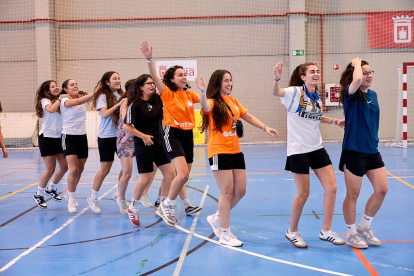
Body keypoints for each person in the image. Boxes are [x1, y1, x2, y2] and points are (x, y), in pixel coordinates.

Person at [196, 70, 279, 246]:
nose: (229, 83)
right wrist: (202, 92)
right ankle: (225, 233)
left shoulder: (233, 101)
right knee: (226, 191)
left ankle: (217, 217)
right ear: (218, 83)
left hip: (235, 151)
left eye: (230, 80)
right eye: (225, 81)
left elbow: (247, 116)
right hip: (219, 151)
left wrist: (265, 127)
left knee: (240, 190)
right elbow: (204, 106)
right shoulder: (212, 102)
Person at [272, 61, 345, 248]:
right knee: (303, 193)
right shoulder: (294, 93)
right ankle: (292, 231)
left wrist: (334, 121)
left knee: (332, 188)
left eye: (317, 71)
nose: (316, 73)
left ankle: (326, 231)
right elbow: (276, 92)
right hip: (298, 149)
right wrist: (277, 78)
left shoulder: (317, 96)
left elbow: (315, 115)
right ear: (303, 76)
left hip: (316, 147)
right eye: (312, 71)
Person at [140, 41, 201, 226]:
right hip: (172, 135)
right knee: (181, 174)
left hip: (188, 136)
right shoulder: (167, 93)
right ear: (172, 79)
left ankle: (165, 203)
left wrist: (207, 90)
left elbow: (207, 103)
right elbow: (154, 76)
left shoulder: (190, 95)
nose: (184, 77)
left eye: (184, 74)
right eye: (180, 74)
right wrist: (149, 58)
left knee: (184, 176)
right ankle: (167, 205)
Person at [339, 58, 388, 249]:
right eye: (364, 72)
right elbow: (357, 80)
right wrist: (356, 64)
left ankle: (364, 227)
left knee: (382, 189)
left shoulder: (373, 94)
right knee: (353, 194)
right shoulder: (350, 94)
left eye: (370, 72)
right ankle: (351, 233)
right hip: (353, 151)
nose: (368, 75)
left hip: (372, 151)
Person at [123, 74, 175, 226]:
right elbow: (127, 126)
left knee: (170, 174)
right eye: (149, 84)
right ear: (141, 87)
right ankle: (133, 206)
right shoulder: (135, 105)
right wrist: (143, 136)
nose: (152, 86)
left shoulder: (158, 99)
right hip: (143, 144)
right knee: (145, 178)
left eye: (153, 83)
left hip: (159, 142)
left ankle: (162, 205)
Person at [87, 72, 125, 214]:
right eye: (115, 78)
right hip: (107, 136)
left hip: (121, 136)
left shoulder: (121, 95)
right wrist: (118, 105)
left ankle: (119, 194)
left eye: (119, 78)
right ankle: (93, 197)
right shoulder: (103, 96)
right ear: (107, 82)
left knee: (127, 168)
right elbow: (104, 114)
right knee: (105, 169)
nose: (118, 80)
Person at [60, 79, 95, 213]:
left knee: (80, 169)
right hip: (68, 136)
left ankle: (70, 192)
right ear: (66, 89)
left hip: (82, 136)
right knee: (73, 169)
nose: (75, 86)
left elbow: (84, 99)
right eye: (72, 85)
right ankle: (71, 199)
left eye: (76, 84)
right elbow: (77, 102)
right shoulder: (64, 100)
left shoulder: (81, 97)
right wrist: (95, 92)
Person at [33, 81, 68, 208]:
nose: (56, 87)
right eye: (52, 86)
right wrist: (60, 98)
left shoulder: (60, 101)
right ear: (47, 90)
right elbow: (51, 110)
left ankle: (51, 189)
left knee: (64, 167)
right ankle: (39, 194)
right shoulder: (45, 101)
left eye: (56, 85)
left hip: (59, 138)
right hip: (47, 138)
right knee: (50, 169)